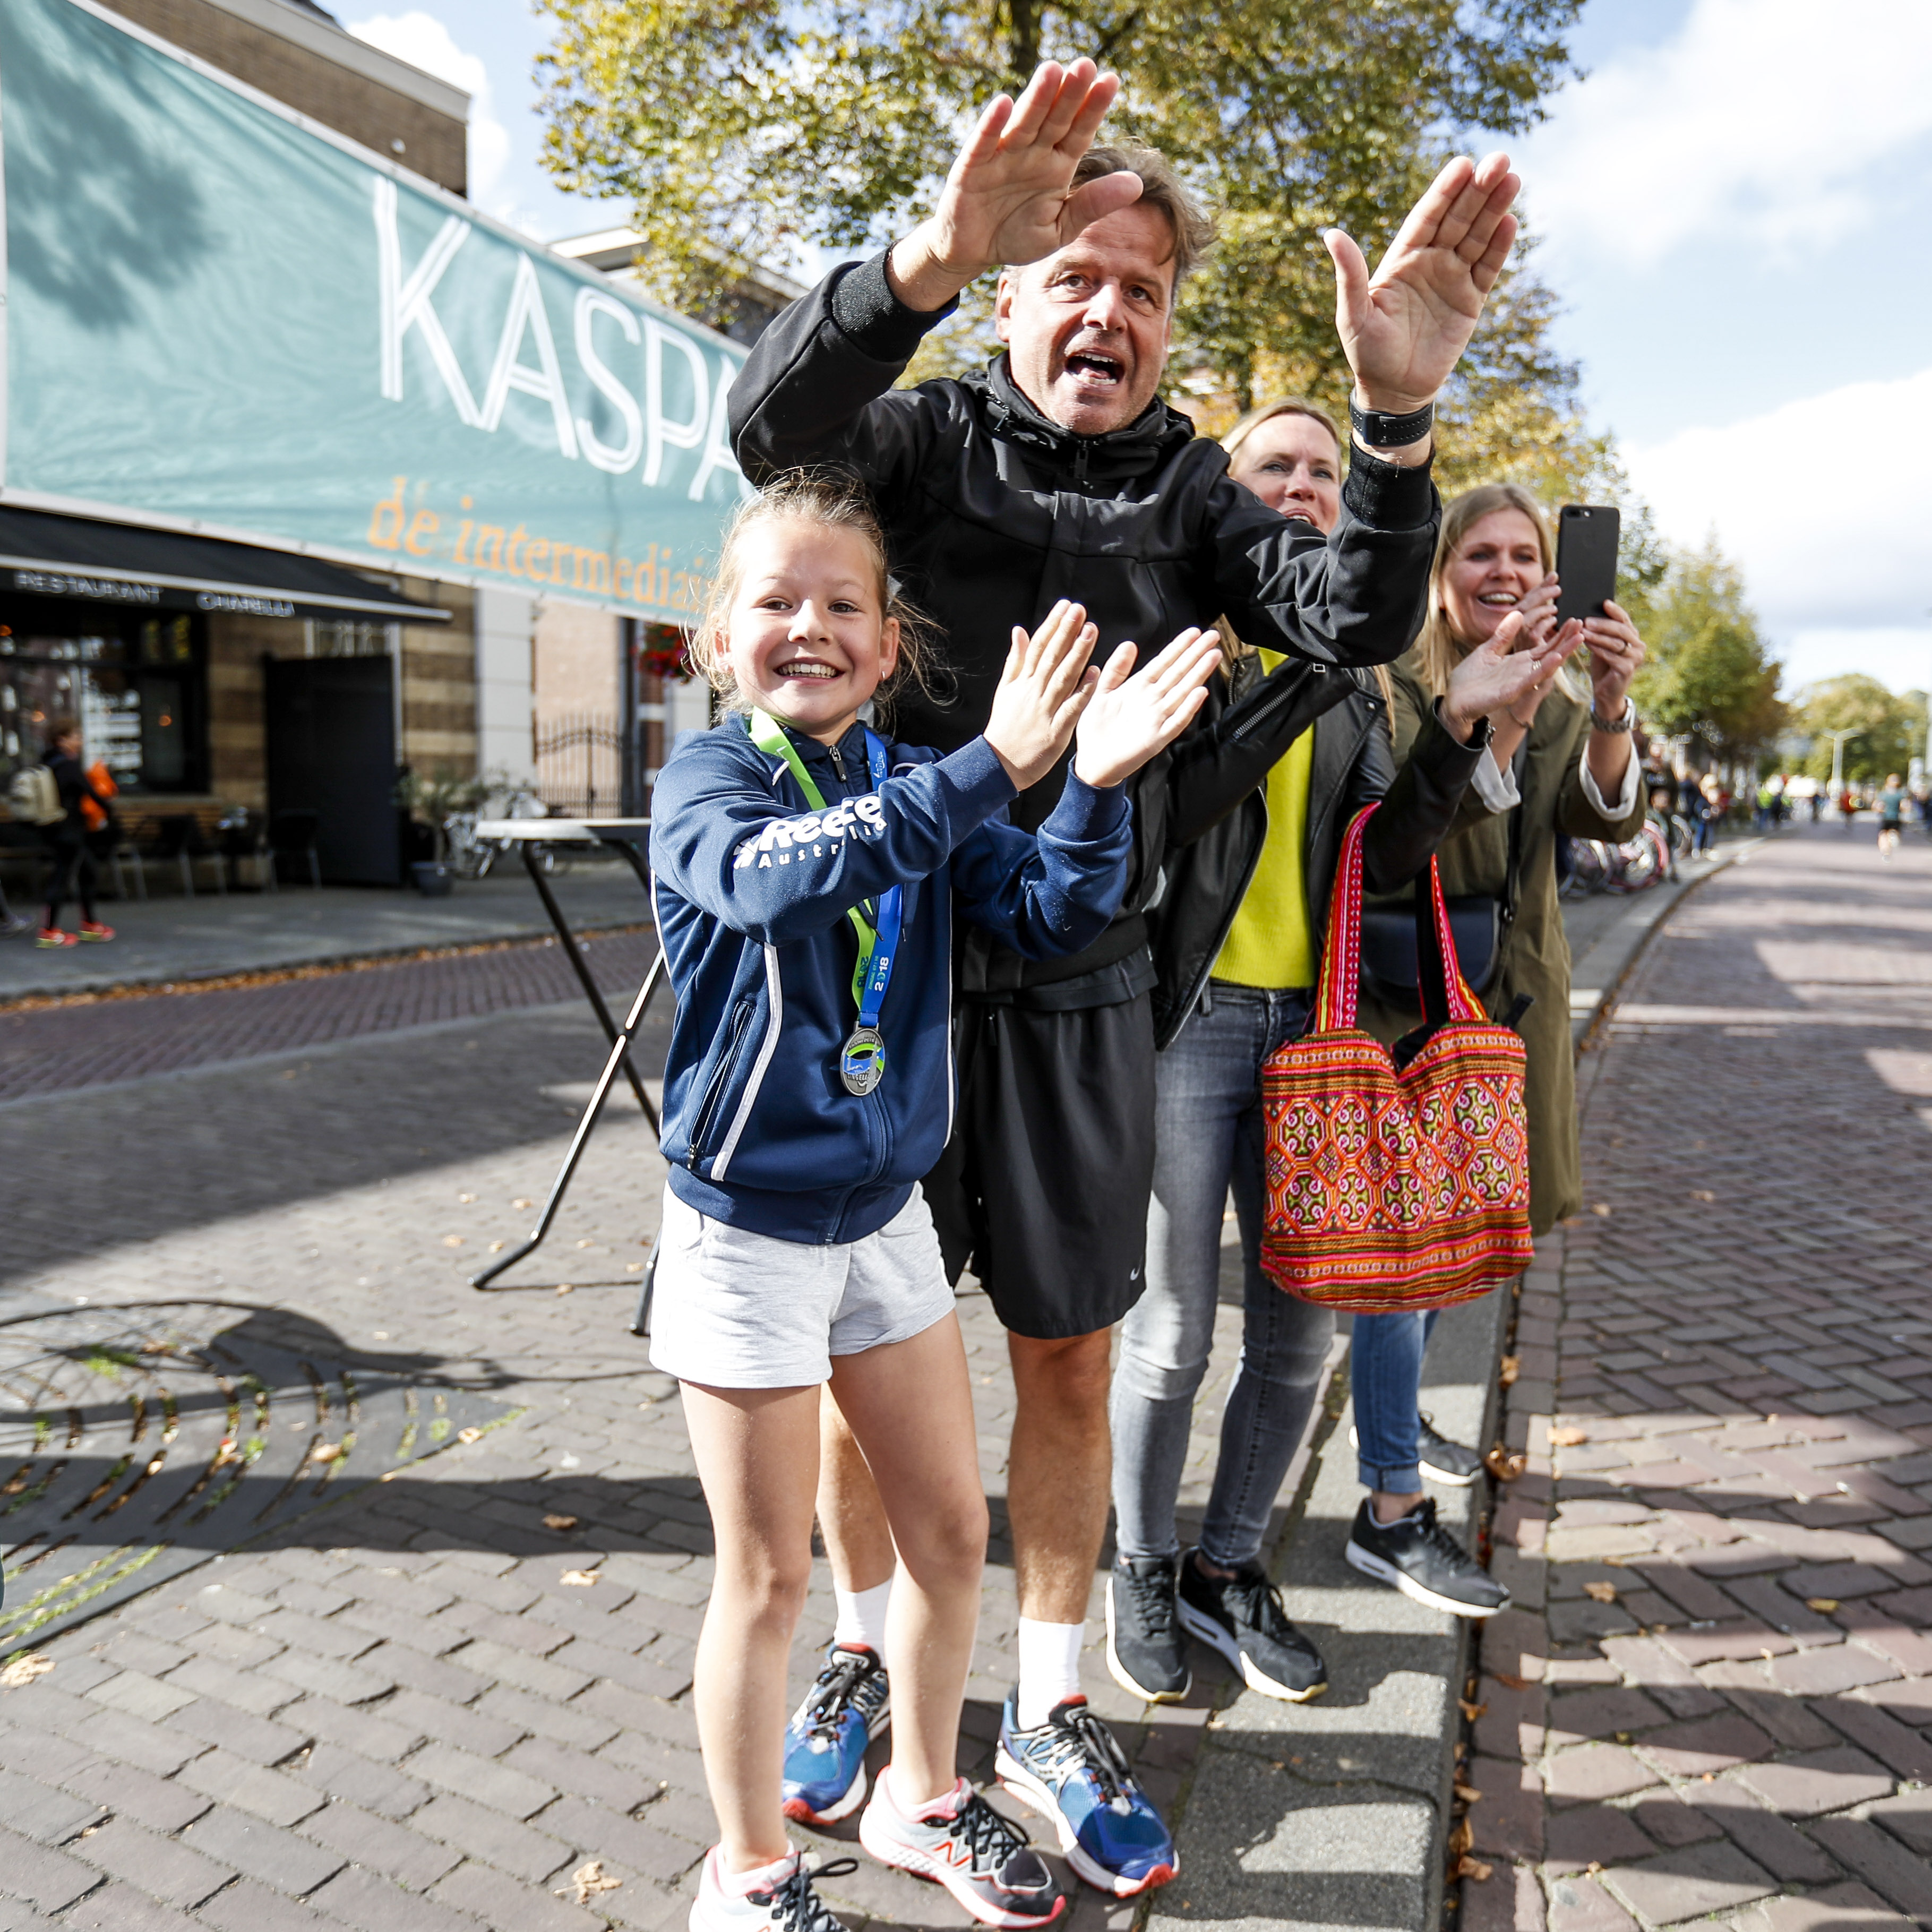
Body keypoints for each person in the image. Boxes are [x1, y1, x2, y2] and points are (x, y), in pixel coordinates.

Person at [728, 56, 1523, 1888]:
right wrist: (919, 254)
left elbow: (1348, 615)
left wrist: (1393, 425)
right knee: (866, 1351)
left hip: (1088, 992)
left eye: (1141, 289)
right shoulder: (913, 439)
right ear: (1012, 289)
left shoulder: (1188, 489)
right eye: (1070, 270)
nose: (1106, 307)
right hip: (892, 988)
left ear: (1168, 328)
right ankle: (859, 1655)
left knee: (1069, 1359)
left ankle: (1052, 1698)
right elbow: (768, 432)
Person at [648, 473, 1220, 1932]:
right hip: (745, 1236)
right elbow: (781, 885)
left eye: (843, 603)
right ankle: (748, 1874)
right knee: (772, 1572)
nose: (811, 625)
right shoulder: (707, 782)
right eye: (776, 599)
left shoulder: (904, 773)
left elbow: (1043, 908)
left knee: (949, 1538)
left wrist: (1085, 780)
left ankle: (916, 1789)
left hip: (881, 1216)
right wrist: (988, 765)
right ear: (724, 635)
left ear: (888, 642)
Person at [1105, 399, 1574, 1705]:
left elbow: (1394, 850)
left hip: (1318, 1039)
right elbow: (1143, 818)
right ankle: (1139, 1565)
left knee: (1299, 1329)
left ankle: (1226, 1564)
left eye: (1323, 470)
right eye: (1277, 468)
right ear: (1228, 496)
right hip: (1188, 1023)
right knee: (1172, 1327)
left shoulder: (1360, 670)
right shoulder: (1180, 641)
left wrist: (1467, 730)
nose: (1306, 487)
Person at [1349, 484, 1646, 1617]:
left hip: (1507, 1014)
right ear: (1440, 573)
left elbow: (1604, 822)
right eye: (1482, 552)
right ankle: (1387, 1509)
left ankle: (1398, 1408)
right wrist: (1493, 721)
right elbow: (1421, 845)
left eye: (1527, 554)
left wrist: (1609, 700)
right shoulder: (1391, 685)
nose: (1509, 571)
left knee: (1455, 1249)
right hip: (1407, 1009)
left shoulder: (1561, 690)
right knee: (1397, 1262)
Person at [35, 719, 116, 949]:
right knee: (62, 877)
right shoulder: (68, 766)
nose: (80, 741)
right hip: (69, 830)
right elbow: (91, 793)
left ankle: (89, 924)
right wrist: (109, 809)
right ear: (62, 740)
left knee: (87, 870)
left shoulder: (47, 763)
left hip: (55, 828)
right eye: (76, 737)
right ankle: (49, 932)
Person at [1877, 774, 1907, 857]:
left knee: (1883, 835)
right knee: (1893, 831)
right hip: (1896, 818)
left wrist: (1880, 810)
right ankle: (1893, 835)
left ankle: (1885, 851)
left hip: (1886, 817)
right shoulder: (1900, 794)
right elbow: (1904, 806)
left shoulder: (1883, 794)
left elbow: (1879, 806)